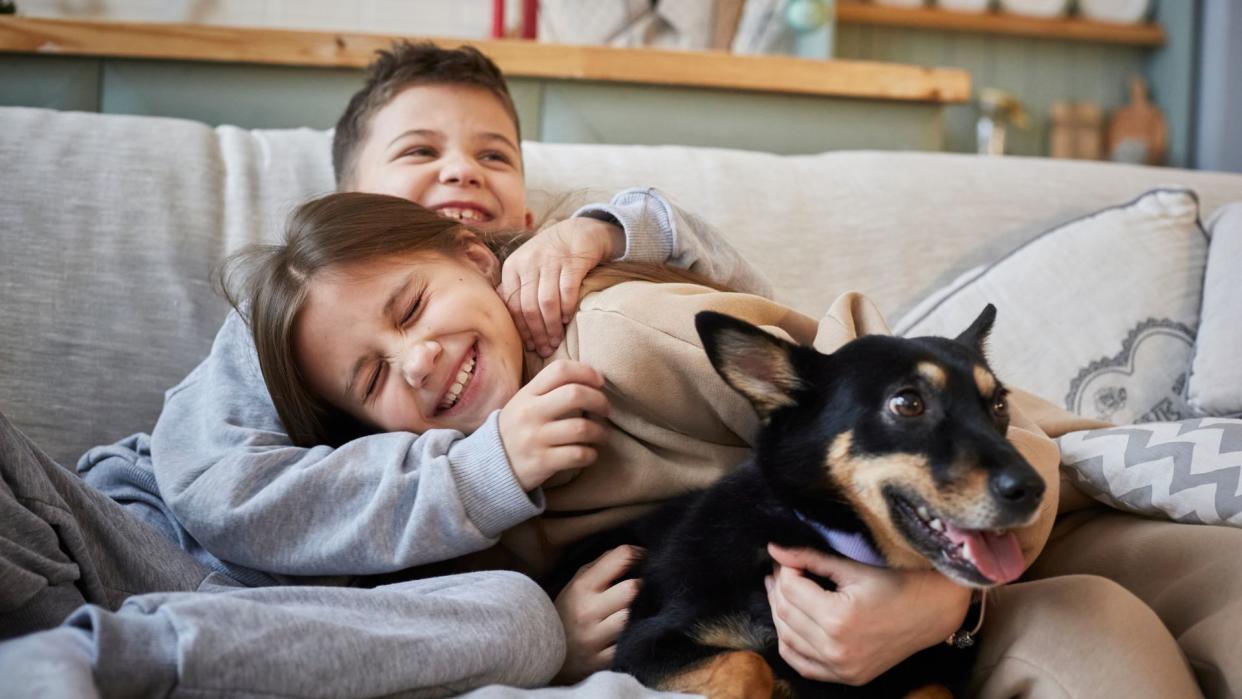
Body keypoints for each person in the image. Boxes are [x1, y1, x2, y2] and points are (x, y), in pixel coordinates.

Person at [239, 190, 1219, 698]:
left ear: (475, 255)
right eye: (371, 381)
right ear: (364, 434)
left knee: (1158, 598)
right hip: (879, 592)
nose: (413, 364)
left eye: (411, 308)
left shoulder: (624, 335)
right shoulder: (444, 513)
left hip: (1036, 511)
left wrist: (938, 599)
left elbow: (921, 397)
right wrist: (559, 642)